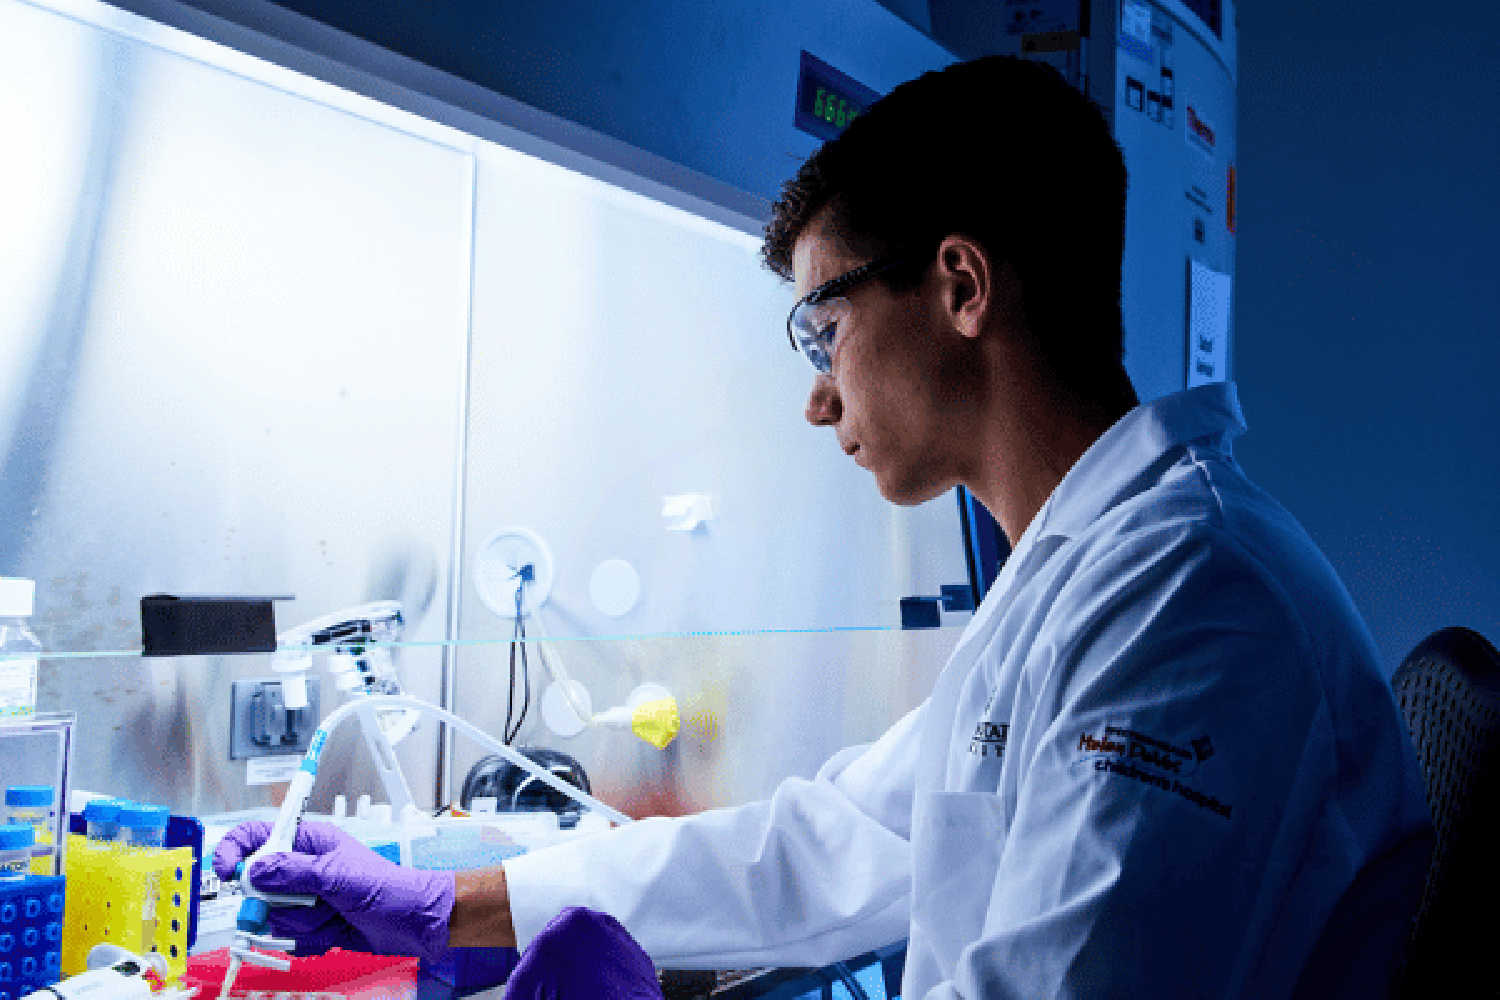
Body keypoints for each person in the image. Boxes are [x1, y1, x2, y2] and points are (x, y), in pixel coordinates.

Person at [216, 55, 1436, 997]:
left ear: (960, 286)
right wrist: (450, 898)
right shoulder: (1086, 576)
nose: (817, 395)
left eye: (824, 327)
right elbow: (826, 842)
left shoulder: (1191, 601)